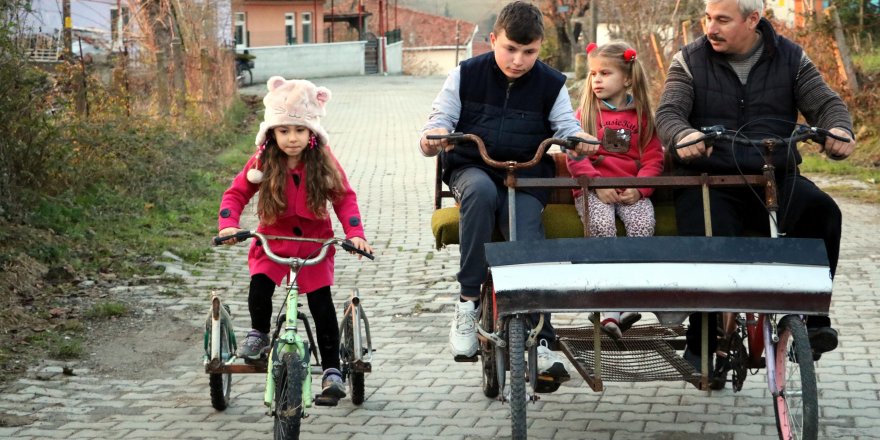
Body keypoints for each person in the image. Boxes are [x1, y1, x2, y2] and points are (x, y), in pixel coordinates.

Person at [656, 0, 856, 373]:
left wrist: (839, 130)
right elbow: (669, 112)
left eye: (722, 20)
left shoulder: (792, 58)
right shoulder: (689, 60)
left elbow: (825, 103)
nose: (710, 27)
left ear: (753, 20)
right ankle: (703, 333)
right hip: (711, 179)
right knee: (706, 229)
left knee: (824, 212)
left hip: (774, 176)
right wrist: (683, 134)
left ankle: (812, 320)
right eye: (707, 18)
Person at [419, 0, 596, 386]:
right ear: (493, 39)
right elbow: (441, 118)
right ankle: (467, 301)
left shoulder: (551, 83)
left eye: (529, 52)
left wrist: (578, 139)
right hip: (473, 166)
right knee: (481, 194)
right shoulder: (466, 74)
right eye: (510, 49)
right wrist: (434, 137)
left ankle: (543, 335)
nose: (518, 60)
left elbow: (566, 125)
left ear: (540, 47)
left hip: (527, 171)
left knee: (524, 224)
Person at [217, 76, 373, 400]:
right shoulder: (262, 161)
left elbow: (344, 198)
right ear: (272, 132)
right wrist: (229, 225)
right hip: (273, 240)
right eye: (284, 130)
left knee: (321, 305)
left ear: (312, 133)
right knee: (259, 287)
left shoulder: (324, 163)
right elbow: (236, 193)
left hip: (315, 244)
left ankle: (332, 371)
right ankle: (258, 333)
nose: (291, 138)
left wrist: (355, 234)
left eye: (300, 130)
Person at [569, 41, 664, 339]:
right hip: (593, 189)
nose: (596, 79)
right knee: (600, 225)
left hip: (630, 190)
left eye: (605, 73)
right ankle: (608, 303)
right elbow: (575, 157)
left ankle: (627, 299)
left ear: (626, 78)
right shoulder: (584, 114)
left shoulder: (643, 117)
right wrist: (597, 185)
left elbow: (653, 159)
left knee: (642, 224)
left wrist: (640, 189)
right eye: (593, 74)